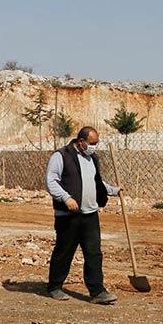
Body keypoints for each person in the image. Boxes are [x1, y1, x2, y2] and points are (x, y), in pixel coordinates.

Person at [45, 126, 120, 304]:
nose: (95, 146)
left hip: (90, 214)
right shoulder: (61, 156)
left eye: (96, 143)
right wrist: (66, 197)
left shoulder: (92, 158)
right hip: (68, 215)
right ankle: (54, 287)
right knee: (64, 252)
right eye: (92, 143)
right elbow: (51, 181)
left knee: (94, 253)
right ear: (81, 142)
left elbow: (95, 181)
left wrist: (112, 190)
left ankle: (97, 291)